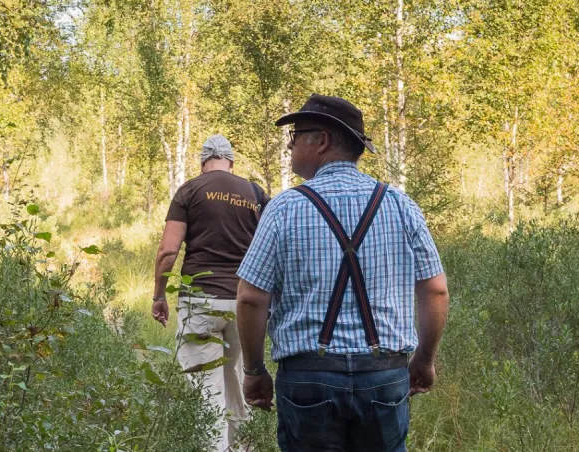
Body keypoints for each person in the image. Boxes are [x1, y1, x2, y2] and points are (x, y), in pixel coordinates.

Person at [235, 94, 449, 452]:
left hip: (308, 380)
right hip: (384, 376)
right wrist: (424, 359)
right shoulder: (399, 204)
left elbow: (251, 298)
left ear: (321, 140)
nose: (290, 148)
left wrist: (254, 371)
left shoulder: (284, 208)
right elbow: (436, 290)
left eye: (295, 136)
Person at [152, 134, 270, 452]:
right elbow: (272, 249)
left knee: (207, 387)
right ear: (231, 162)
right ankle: (242, 443)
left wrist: (159, 295)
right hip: (245, 304)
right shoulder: (256, 193)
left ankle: (217, 448)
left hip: (201, 301)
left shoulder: (190, 189)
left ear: (203, 162)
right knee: (232, 374)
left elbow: (167, 251)